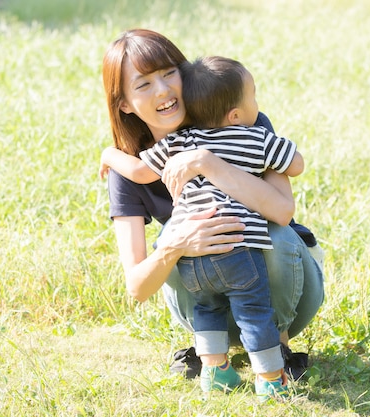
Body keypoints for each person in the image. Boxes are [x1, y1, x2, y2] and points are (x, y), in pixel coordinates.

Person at [100, 28, 324, 391]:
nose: (163, 91)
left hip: (284, 290)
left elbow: (282, 212)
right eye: (143, 85)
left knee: (275, 235)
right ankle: (212, 357)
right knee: (171, 233)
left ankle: (278, 351)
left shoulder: (241, 120)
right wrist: (176, 244)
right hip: (207, 293)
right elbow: (138, 288)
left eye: (169, 73)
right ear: (124, 103)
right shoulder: (130, 168)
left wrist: (207, 162)